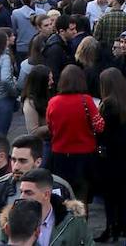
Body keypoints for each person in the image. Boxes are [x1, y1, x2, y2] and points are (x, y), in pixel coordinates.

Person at [43, 65, 98, 209]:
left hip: (60, 154)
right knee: (82, 195)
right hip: (85, 155)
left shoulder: (53, 102)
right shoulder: (86, 100)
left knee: (61, 192)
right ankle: (81, 224)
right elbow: (99, 126)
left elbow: (50, 127)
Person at [94, 67, 126, 242]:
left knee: (110, 196)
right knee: (121, 193)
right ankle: (122, 225)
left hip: (109, 155)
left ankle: (111, 227)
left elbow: (103, 131)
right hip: (124, 153)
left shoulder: (108, 105)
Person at [10, 168, 90, 246]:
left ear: (46, 195)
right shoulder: (12, 220)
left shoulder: (73, 221)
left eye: (28, 193)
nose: (21, 197)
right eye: (21, 192)